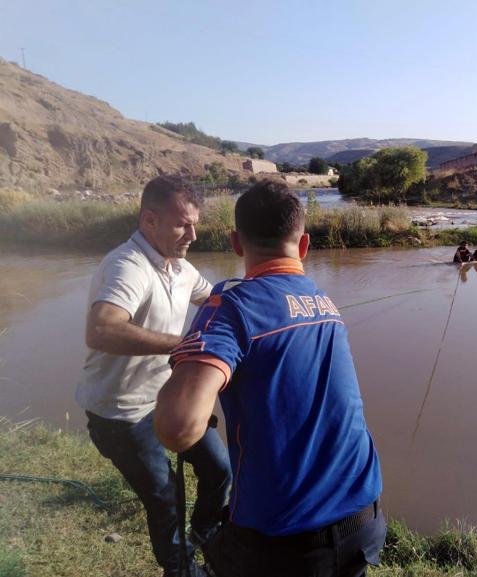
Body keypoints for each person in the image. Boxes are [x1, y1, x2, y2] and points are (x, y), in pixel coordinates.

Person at [154, 180, 386, 577]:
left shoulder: (231, 305)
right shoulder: (324, 302)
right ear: (305, 245)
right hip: (364, 521)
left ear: (236, 243)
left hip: (284, 545)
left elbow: (178, 428)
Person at [75, 175, 231, 577]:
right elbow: (102, 329)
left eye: (195, 223)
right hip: (120, 414)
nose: (193, 234)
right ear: (149, 220)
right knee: (166, 497)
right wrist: (180, 345)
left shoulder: (178, 267)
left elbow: (217, 298)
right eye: (183, 224)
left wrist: (268, 294)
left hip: (163, 402)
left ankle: (206, 538)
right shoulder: (129, 266)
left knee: (219, 469)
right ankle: (181, 570)